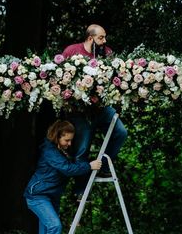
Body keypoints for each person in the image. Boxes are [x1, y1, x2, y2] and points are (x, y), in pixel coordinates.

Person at [61, 24, 127, 198]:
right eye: (101, 38)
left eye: (105, 37)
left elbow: (116, 77)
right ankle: (80, 190)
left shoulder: (107, 53)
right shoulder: (72, 51)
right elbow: (59, 77)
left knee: (120, 132)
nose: (104, 41)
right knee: (82, 148)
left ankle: (104, 167)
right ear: (90, 38)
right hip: (79, 111)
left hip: (102, 108)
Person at [24, 120, 102, 234]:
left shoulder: (62, 150)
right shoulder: (49, 151)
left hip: (51, 196)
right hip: (38, 196)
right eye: (67, 140)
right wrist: (89, 166)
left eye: (71, 140)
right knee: (55, 226)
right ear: (57, 136)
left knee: (46, 229)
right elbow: (68, 169)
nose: (69, 143)